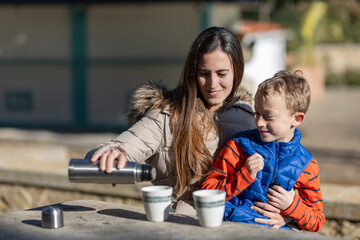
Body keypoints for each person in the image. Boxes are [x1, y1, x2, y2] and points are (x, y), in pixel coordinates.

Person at [85, 27, 281, 224]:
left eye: (222, 74)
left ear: (237, 71)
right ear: (193, 72)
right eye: (204, 74)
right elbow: (118, 147)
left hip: (242, 225)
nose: (213, 84)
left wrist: (287, 213)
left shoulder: (248, 114)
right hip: (183, 227)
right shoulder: (167, 115)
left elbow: (283, 168)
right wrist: (113, 153)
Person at [202, 70, 325, 232]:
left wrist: (291, 208)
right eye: (257, 113)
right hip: (232, 227)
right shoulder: (239, 145)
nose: (259, 122)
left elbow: (317, 220)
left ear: (297, 119)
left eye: (268, 116)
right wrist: (244, 175)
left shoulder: (307, 165)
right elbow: (207, 191)